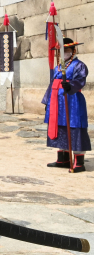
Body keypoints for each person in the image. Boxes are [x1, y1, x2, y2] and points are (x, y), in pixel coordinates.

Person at [43, 38, 90, 172]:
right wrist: (47, 101)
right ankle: (63, 158)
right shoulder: (57, 67)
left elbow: (81, 80)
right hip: (56, 101)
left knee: (75, 127)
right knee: (60, 127)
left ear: (73, 51)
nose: (64, 53)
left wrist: (70, 85)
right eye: (61, 50)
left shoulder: (79, 65)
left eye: (67, 50)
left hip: (72, 99)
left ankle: (79, 162)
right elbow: (52, 84)